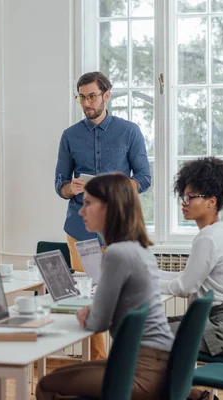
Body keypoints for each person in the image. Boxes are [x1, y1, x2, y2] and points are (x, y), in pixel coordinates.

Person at [37, 173, 173, 400]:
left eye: (88, 203)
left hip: (142, 368)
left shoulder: (117, 254)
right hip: (161, 362)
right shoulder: (137, 249)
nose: (81, 211)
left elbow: (97, 322)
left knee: (47, 386)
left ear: (111, 208)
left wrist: (88, 313)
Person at [54, 71, 151, 360]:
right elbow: (59, 185)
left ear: (106, 95)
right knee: (89, 297)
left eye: (92, 96)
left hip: (119, 229)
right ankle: (98, 368)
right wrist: (71, 187)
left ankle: (127, 366)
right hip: (81, 229)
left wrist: (114, 188)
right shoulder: (69, 136)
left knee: (125, 300)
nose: (87, 102)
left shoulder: (130, 131)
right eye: (81, 97)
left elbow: (144, 178)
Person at [160, 157, 223, 357]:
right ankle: (175, 387)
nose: (184, 203)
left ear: (211, 202)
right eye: (183, 196)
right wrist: (151, 274)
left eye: (191, 196)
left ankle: (170, 388)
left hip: (222, 330)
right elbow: (188, 278)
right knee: (149, 327)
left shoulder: (209, 237)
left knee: (141, 333)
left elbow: (185, 287)